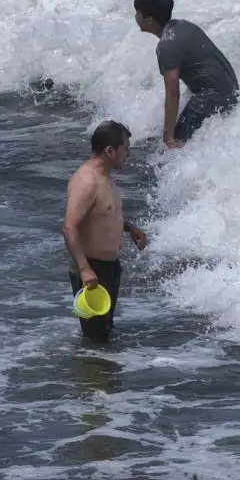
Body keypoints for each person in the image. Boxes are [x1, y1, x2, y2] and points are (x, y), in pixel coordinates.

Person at [61, 121, 147, 342]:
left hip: (108, 268)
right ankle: (93, 376)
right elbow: (69, 227)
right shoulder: (87, 180)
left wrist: (128, 227)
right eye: (125, 148)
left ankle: (105, 376)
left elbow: (102, 213)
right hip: (92, 269)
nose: (128, 153)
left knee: (105, 333)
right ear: (110, 151)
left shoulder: (105, 179)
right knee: (95, 341)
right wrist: (85, 269)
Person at [133, 0, 240, 148]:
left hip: (212, 95)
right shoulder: (183, 25)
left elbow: (173, 94)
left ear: (149, 20)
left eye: (137, 12)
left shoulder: (166, 46)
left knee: (176, 142)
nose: (135, 17)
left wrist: (168, 137)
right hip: (230, 88)